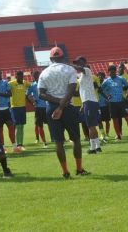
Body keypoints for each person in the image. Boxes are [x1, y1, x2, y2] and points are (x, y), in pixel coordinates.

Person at [38, 47, 90, 179]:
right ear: (63, 57)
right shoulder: (70, 69)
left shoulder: (43, 72)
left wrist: (57, 102)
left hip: (51, 107)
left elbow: (41, 94)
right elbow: (72, 89)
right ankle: (79, 168)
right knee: (75, 139)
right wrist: (62, 105)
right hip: (67, 107)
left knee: (58, 142)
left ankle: (65, 171)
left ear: (50, 59)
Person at [71, 56, 107, 154]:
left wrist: (70, 66)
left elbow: (81, 69)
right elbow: (84, 90)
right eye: (76, 62)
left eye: (78, 62)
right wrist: (83, 104)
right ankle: (98, 147)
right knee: (92, 125)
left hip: (89, 101)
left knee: (90, 125)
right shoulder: (82, 75)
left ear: (84, 62)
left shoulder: (86, 69)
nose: (77, 64)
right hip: (89, 101)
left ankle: (92, 148)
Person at [101, 65, 128, 141]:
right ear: (108, 73)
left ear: (116, 72)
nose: (113, 73)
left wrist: (126, 96)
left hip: (121, 102)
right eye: (111, 72)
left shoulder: (121, 79)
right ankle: (118, 136)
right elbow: (101, 90)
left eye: (114, 72)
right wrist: (106, 97)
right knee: (115, 119)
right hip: (112, 103)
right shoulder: (107, 81)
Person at [0, 69, 22, 153]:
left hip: (6, 109)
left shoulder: (4, 82)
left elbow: (10, 94)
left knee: (11, 126)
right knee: (0, 129)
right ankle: (3, 148)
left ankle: (15, 147)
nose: (0, 75)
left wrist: (0, 94)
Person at [8, 71, 31, 150]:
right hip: (14, 107)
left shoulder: (25, 83)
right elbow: (5, 87)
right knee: (17, 126)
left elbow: (33, 85)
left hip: (23, 107)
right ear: (16, 76)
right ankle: (17, 144)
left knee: (21, 126)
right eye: (19, 77)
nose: (21, 78)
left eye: (22, 77)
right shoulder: (11, 83)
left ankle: (21, 143)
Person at [25, 70, 48, 148]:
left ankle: (55, 139)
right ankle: (44, 142)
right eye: (36, 76)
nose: (38, 77)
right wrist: (32, 103)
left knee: (51, 123)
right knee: (39, 125)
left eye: (38, 75)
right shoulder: (33, 85)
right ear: (34, 77)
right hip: (39, 108)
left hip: (47, 106)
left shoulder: (45, 83)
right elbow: (26, 95)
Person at [117, 63, 128, 137]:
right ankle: (120, 133)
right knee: (118, 117)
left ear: (124, 68)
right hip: (117, 100)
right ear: (118, 68)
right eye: (119, 67)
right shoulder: (116, 77)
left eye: (122, 67)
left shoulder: (127, 76)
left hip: (125, 100)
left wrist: (126, 97)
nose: (121, 69)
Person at [97, 72, 111, 139]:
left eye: (101, 76)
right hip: (98, 104)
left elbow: (110, 93)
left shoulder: (106, 84)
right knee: (99, 120)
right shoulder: (95, 84)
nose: (100, 77)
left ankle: (107, 134)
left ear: (104, 76)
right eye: (99, 76)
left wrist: (108, 99)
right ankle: (102, 134)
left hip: (105, 104)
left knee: (107, 120)